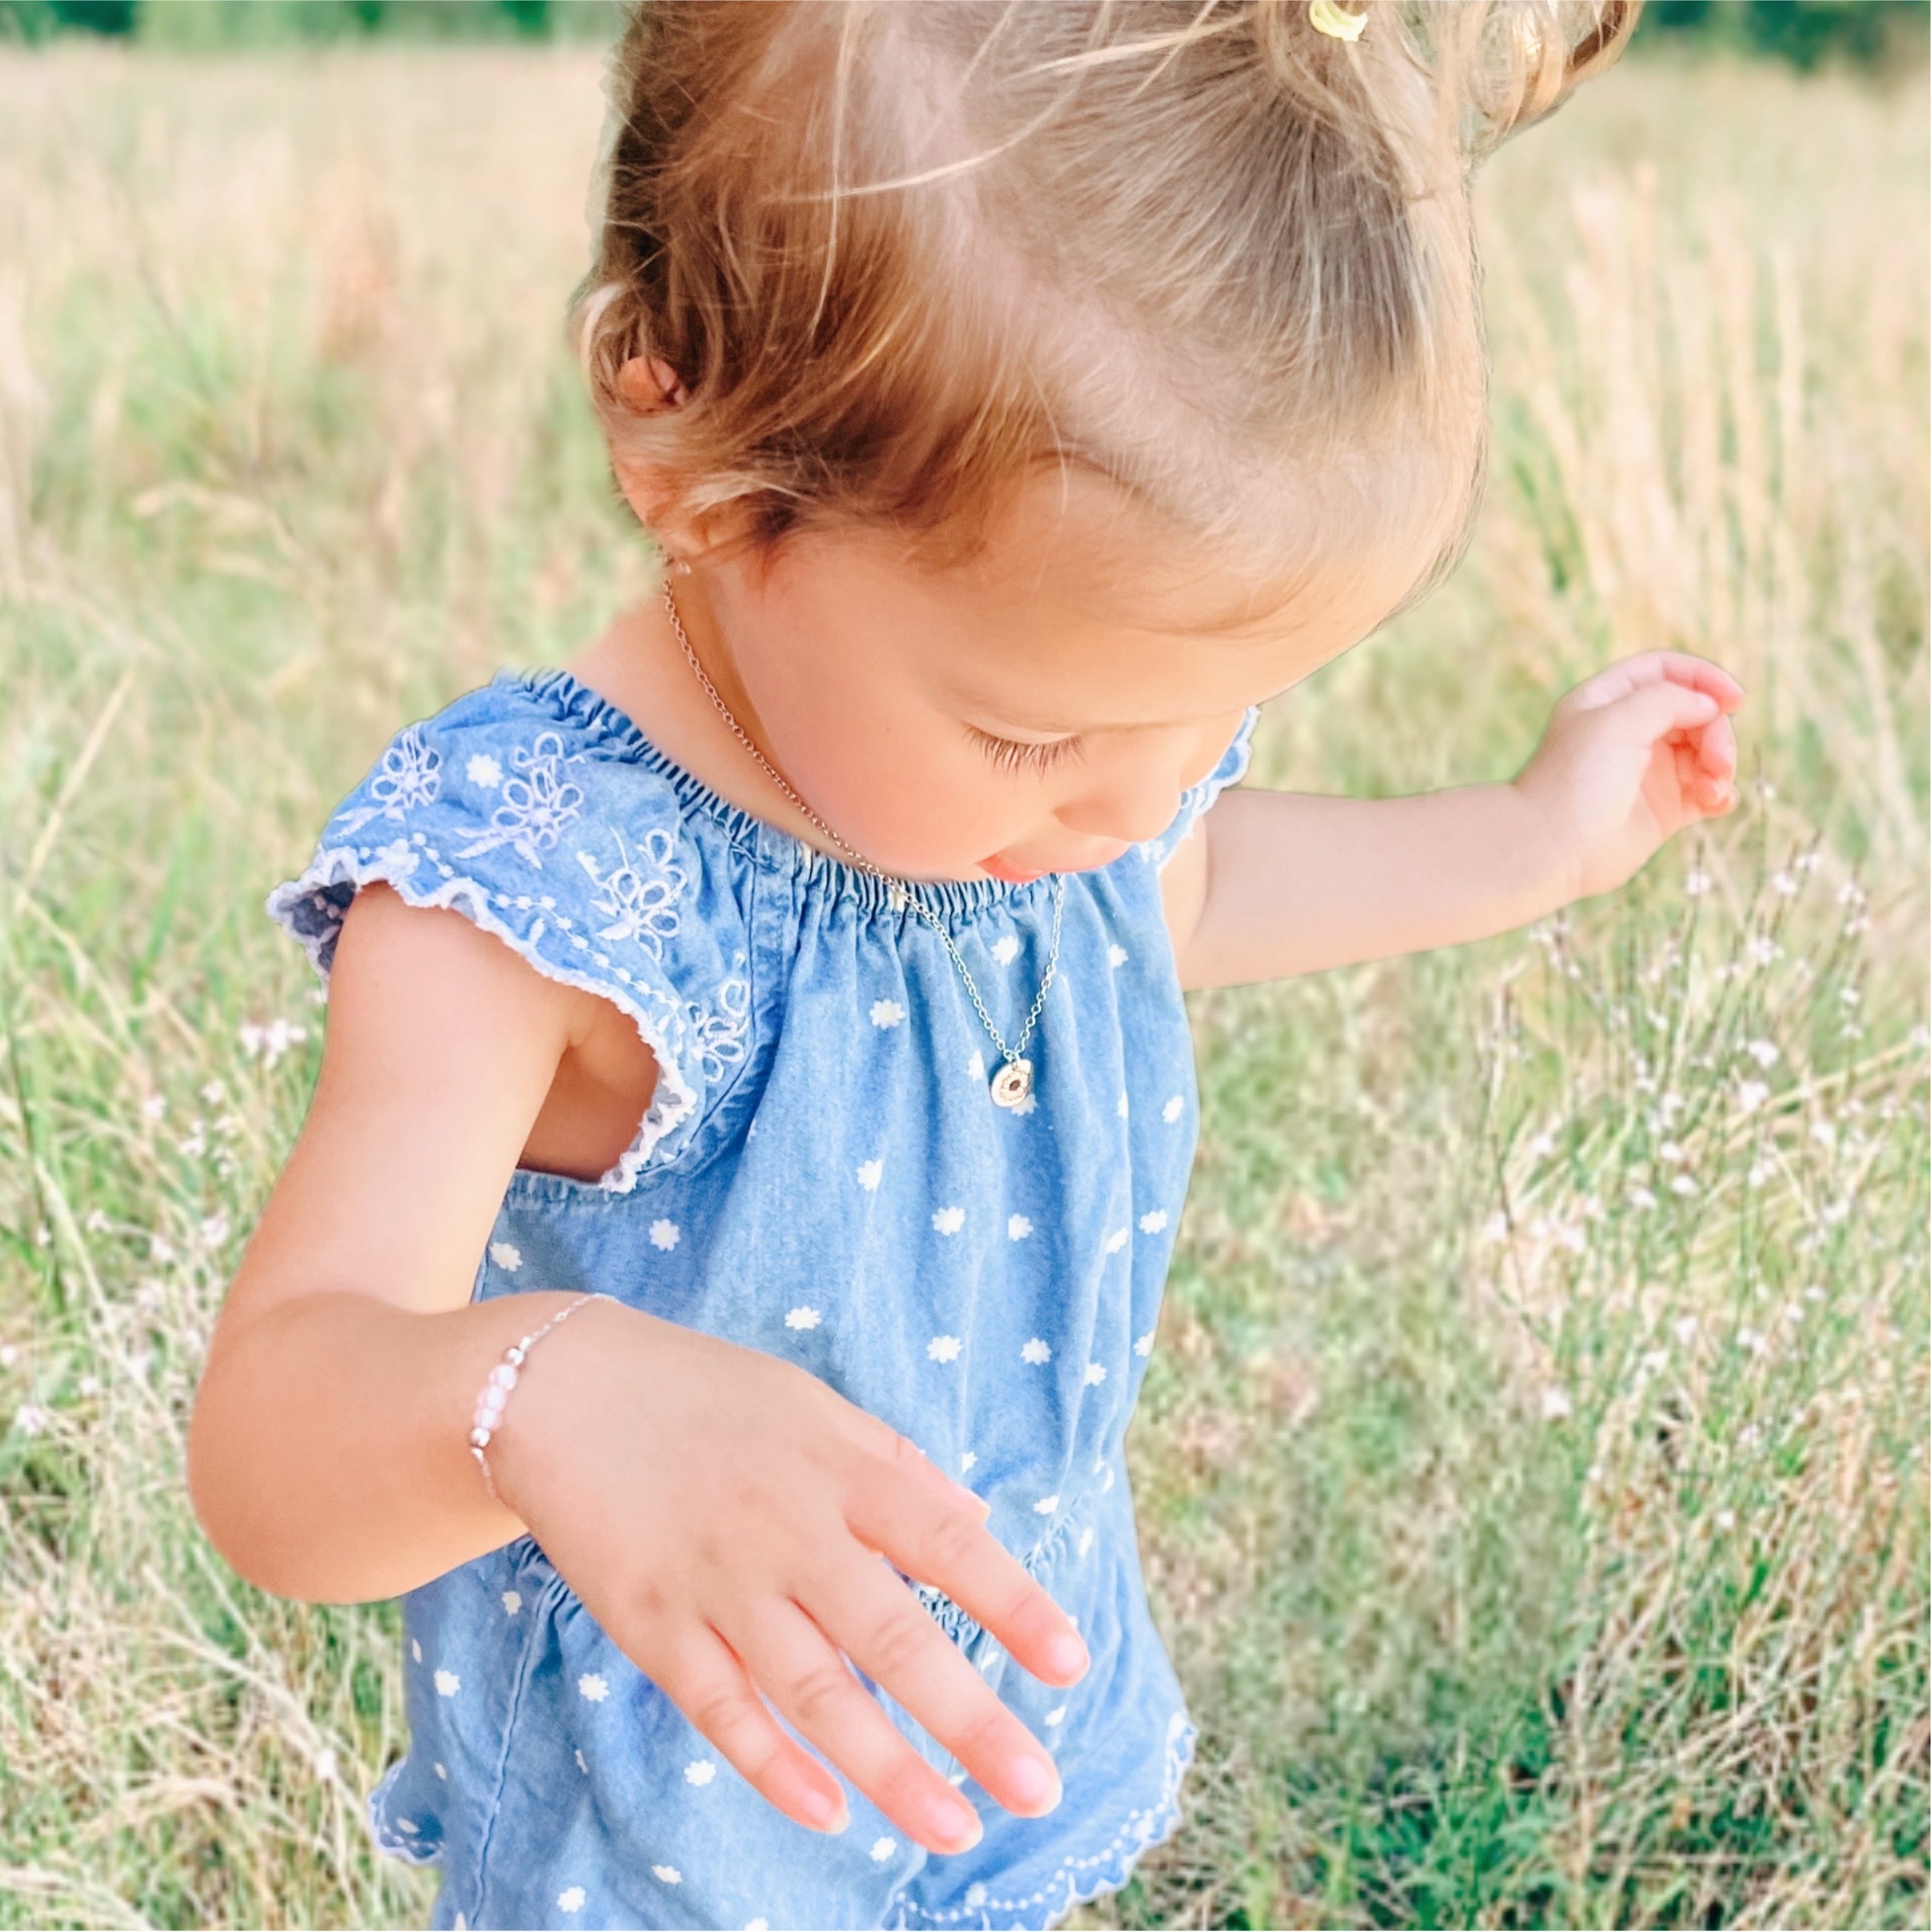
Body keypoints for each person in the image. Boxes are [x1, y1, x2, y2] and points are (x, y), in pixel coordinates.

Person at [186, 2, 1743, 1927]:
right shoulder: (534, 889)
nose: (1137, 801)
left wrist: (1526, 841)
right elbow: (272, 1442)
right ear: (689, 451)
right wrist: (547, 1392)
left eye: (1224, 710)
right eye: (1031, 736)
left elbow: (1187, 886)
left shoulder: (1075, 815)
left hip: (984, 1753)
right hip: (673, 1848)